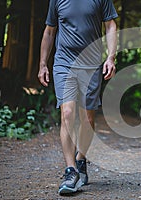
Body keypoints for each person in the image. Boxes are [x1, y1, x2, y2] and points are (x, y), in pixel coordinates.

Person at [38, 0, 118, 195]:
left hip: (91, 64)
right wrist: (42, 63)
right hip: (64, 62)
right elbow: (50, 31)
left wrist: (110, 57)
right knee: (67, 112)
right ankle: (70, 170)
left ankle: (81, 158)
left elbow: (110, 25)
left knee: (87, 119)